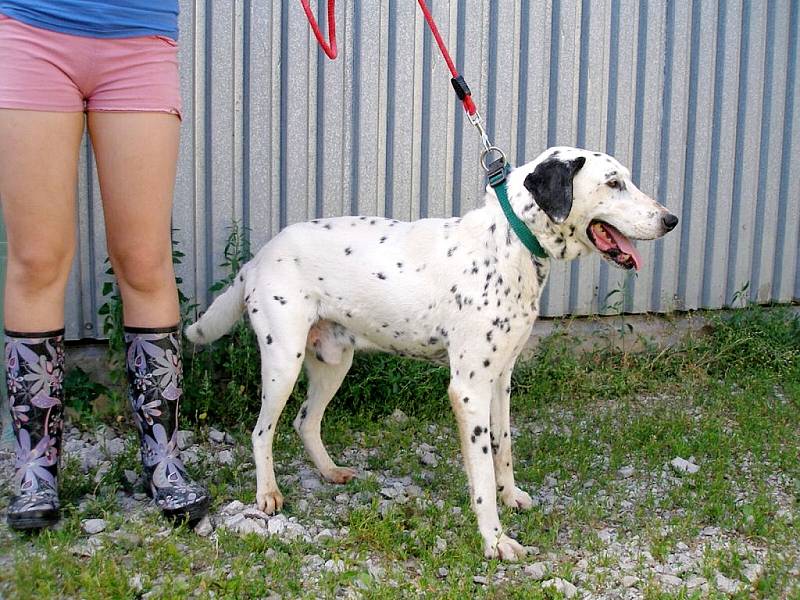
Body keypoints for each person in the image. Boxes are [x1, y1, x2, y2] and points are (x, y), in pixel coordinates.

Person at [0, 0, 209, 529]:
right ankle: (34, 470)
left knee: (144, 260)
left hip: (139, 36)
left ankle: (163, 459)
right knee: (37, 259)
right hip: (30, 30)